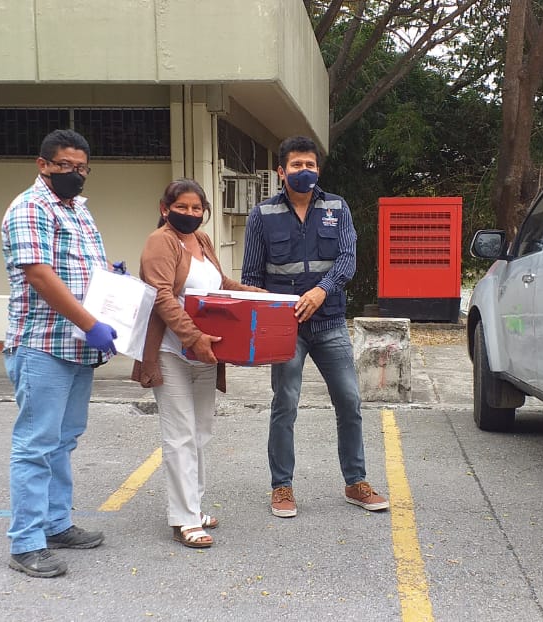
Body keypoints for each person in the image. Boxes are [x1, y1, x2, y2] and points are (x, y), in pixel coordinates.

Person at [241, 135, 389, 518]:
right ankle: (282, 486)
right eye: (296, 165)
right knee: (285, 403)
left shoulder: (337, 208)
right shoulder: (262, 215)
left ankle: (356, 482)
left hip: (330, 322)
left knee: (349, 400)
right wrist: (267, 319)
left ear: (318, 169)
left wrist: (322, 290)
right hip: (285, 327)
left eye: (310, 165)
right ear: (281, 171)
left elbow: (347, 259)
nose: (303, 171)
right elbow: (251, 277)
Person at [0, 129, 119, 578]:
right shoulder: (30, 207)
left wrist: (111, 278)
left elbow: (83, 268)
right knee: (35, 445)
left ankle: (56, 524)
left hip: (77, 348)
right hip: (42, 344)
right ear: (43, 165)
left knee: (63, 440)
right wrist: (91, 324)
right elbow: (40, 275)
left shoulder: (78, 210)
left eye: (82, 167)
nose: (75, 174)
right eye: (65, 165)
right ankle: (26, 543)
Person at [132, 178, 267, 548]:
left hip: (206, 352)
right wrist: (193, 337)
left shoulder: (203, 240)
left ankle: (193, 505)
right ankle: (185, 518)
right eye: (182, 207)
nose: (190, 214)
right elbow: (162, 295)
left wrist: (260, 296)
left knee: (201, 431)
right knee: (179, 435)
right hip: (172, 351)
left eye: (196, 208)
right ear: (165, 209)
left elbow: (220, 284)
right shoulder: (160, 242)